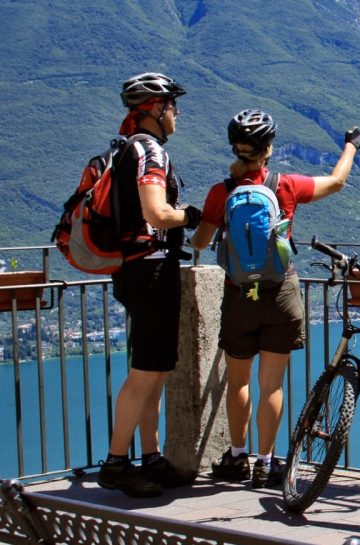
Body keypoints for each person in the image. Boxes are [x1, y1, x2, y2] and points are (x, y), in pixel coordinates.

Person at [190, 109, 360, 488]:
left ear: (235, 148)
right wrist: (351, 146)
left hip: (238, 295)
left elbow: (200, 242)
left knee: (239, 381)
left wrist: (193, 225)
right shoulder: (285, 186)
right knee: (271, 384)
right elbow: (336, 182)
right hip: (280, 293)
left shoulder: (221, 192)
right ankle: (266, 464)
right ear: (268, 149)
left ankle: (237, 457)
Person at [97, 72, 203, 497]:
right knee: (144, 372)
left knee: (155, 367)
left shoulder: (128, 148)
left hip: (135, 268)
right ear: (156, 109)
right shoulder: (150, 151)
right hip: (152, 269)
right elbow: (156, 213)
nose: (178, 113)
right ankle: (116, 463)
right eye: (173, 106)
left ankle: (151, 456)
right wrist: (189, 216)